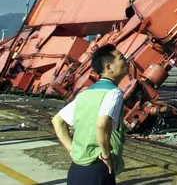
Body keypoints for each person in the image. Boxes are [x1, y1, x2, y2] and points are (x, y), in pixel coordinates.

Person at [51, 44, 129, 185]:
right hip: (98, 167)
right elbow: (101, 124)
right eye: (121, 58)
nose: (126, 60)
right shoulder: (114, 93)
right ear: (108, 67)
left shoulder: (85, 93)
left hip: (76, 169)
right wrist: (106, 155)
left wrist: (71, 149)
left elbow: (57, 120)